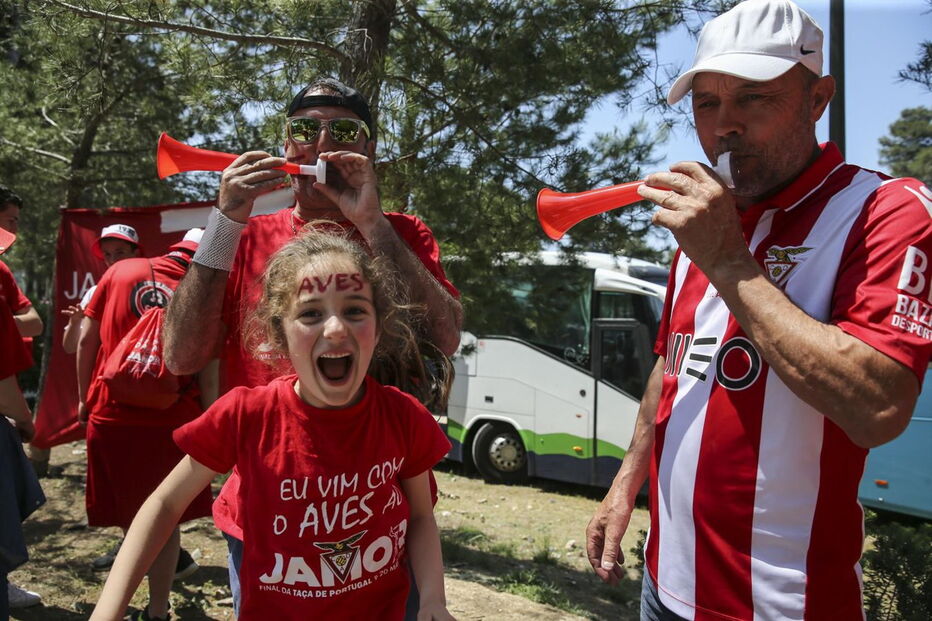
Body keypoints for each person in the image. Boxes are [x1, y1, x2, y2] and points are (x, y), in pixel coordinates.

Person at [585, 1, 932, 619]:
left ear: (818, 99)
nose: (724, 127)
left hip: (783, 605)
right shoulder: (710, 219)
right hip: (661, 587)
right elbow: (673, 362)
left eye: (754, 97)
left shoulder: (886, 210)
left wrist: (729, 260)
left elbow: (879, 409)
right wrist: (625, 482)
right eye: (707, 103)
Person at [162, 77, 462, 616]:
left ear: (369, 151)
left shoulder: (402, 232)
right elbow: (181, 356)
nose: (322, 143)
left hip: (376, 506)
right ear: (286, 146)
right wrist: (225, 221)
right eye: (305, 129)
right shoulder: (244, 234)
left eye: (343, 131)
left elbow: (444, 337)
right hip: (266, 512)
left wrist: (369, 222)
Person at [92, 231, 455, 621]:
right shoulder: (246, 416)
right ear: (279, 334)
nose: (335, 329)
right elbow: (164, 504)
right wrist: (107, 611)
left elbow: (420, 515)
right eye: (311, 313)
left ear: (379, 328)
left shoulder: (404, 417)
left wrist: (433, 599)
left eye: (354, 310)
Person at [76, 229, 212, 621]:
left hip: (112, 411)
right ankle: (158, 609)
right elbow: (208, 369)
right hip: (172, 418)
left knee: (130, 512)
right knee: (164, 517)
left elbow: (87, 341)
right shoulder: (205, 287)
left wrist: (82, 397)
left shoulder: (120, 271)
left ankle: (117, 608)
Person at [62, 224, 143, 354]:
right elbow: (70, 348)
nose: (113, 260)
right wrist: (75, 322)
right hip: (103, 373)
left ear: (135, 253)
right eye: (107, 254)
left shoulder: (148, 289)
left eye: (120, 252)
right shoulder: (94, 293)